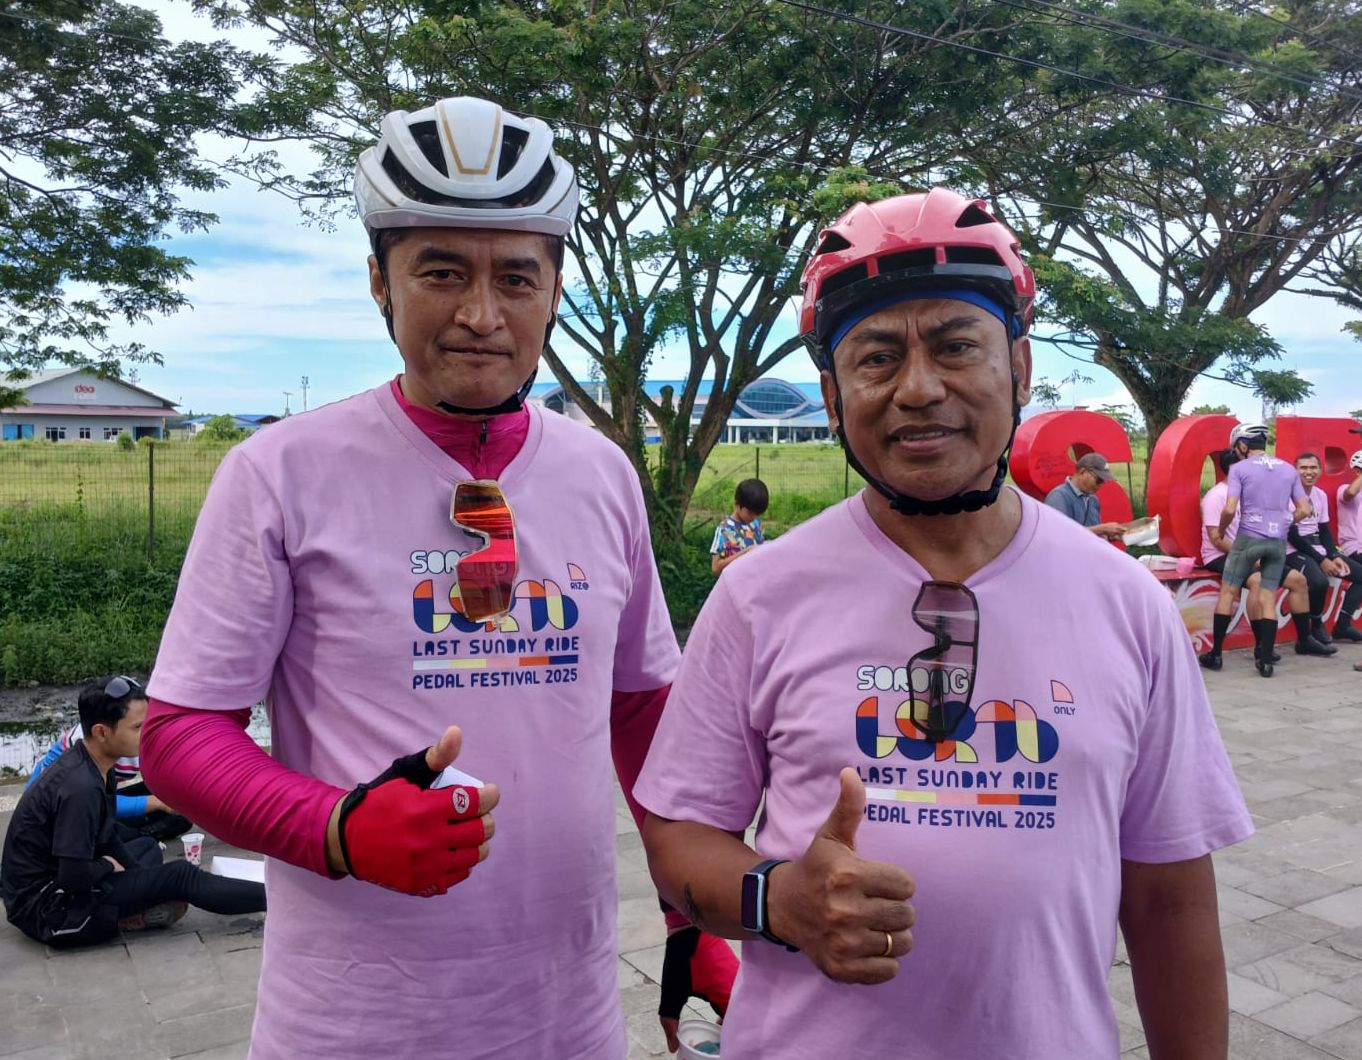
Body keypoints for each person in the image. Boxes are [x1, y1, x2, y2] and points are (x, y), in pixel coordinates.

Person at [139, 97, 707, 1060]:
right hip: (353, 1023)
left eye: (516, 277)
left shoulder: (602, 473)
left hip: (567, 1014)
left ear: (554, 290)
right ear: (380, 282)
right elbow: (181, 734)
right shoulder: (279, 473)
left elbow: (643, 709)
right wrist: (337, 827)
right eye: (441, 272)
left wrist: (692, 911)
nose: (482, 314)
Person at [634, 188, 1252, 1058]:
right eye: (877, 357)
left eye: (957, 345)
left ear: (1020, 367)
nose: (919, 389)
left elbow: (1171, 900)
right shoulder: (758, 595)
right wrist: (779, 900)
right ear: (833, 393)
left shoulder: (1129, 605)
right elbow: (679, 835)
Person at [1, 677, 264, 948]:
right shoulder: (80, 789)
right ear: (102, 732)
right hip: (48, 909)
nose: (147, 733)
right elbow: (72, 877)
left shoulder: (96, 764)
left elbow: (107, 837)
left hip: (61, 883)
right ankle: (275, 901)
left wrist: (142, 882)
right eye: (138, 727)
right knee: (181, 875)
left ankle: (131, 911)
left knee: (147, 847)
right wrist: (108, 866)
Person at [1200, 423, 1311, 677]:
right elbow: (1304, 510)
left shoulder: (1239, 469)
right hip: (1277, 541)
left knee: (1228, 592)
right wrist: (1285, 521)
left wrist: (1221, 530)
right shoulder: (1288, 469)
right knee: (1268, 596)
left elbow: (1230, 509)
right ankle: (1265, 661)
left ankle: (1215, 654)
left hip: (1248, 538)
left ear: (1242, 445)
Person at [26, 710, 191, 842]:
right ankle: (135, 836)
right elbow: (93, 800)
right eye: (137, 726)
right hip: (59, 815)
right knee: (151, 844)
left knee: (175, 805)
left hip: (94, 800)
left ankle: (131, 834)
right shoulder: (88, 746)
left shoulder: (136, 734)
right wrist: (157, 803)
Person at [1287, 452, 1362, 644]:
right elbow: (1292, 535)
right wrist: (1322, 560)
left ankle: (1342, 626)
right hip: (1293, 549)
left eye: (1313, 467)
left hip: (1318, 547)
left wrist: (1334, 555)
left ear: (1320, 470)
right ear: (1295, 471)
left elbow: (1324, 531)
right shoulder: (1287, 494)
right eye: (1303, 468)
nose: (1309, 472)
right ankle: (1316, 626)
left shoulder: (1319, 494)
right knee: (1319, 582)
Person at [1043, 451, 1127, 539]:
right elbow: (1057, 534)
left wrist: (1109, 535)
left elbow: (1093, 535)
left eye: (1103, 481)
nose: (1100, 485)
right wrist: (1100, 529)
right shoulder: (1059, 497)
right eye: (1098, 480)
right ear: (1082, 472)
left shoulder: (1093, 500)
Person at [711, 477, 768, 574]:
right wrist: (744, 553)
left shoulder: (756, 524)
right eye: (750, 513)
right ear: (737, 504)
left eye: (758, 514)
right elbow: (715, 568)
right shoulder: (725, 529)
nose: (754, 517)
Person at [1338, 450, 1362, 641]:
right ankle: (1343, 625)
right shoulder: (1344, 488)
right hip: (1353, 546)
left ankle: (1343, 625)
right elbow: (1350, 493)